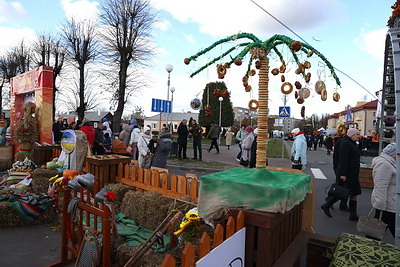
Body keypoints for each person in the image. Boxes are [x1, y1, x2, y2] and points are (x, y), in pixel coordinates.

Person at [321, 128, 361, 221]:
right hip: (347, 173)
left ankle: (353, 215)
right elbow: (343, 160)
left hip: (353, 173)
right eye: (357, 135)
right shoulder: (345, 143)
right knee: (342, 193)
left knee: (354, 193)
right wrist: (343, 174)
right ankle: (326, 205)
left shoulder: (352, 143)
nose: (359, 137)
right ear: (351, 134)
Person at [370, 143, 396, 238]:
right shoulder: (384, 164)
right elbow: (380, 186)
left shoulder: (389, 163)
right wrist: (380, 205)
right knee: (380, 229)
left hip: (389, 203)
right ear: (393, 154)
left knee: (376, 231)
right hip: (387, 204)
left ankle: (368, 246)